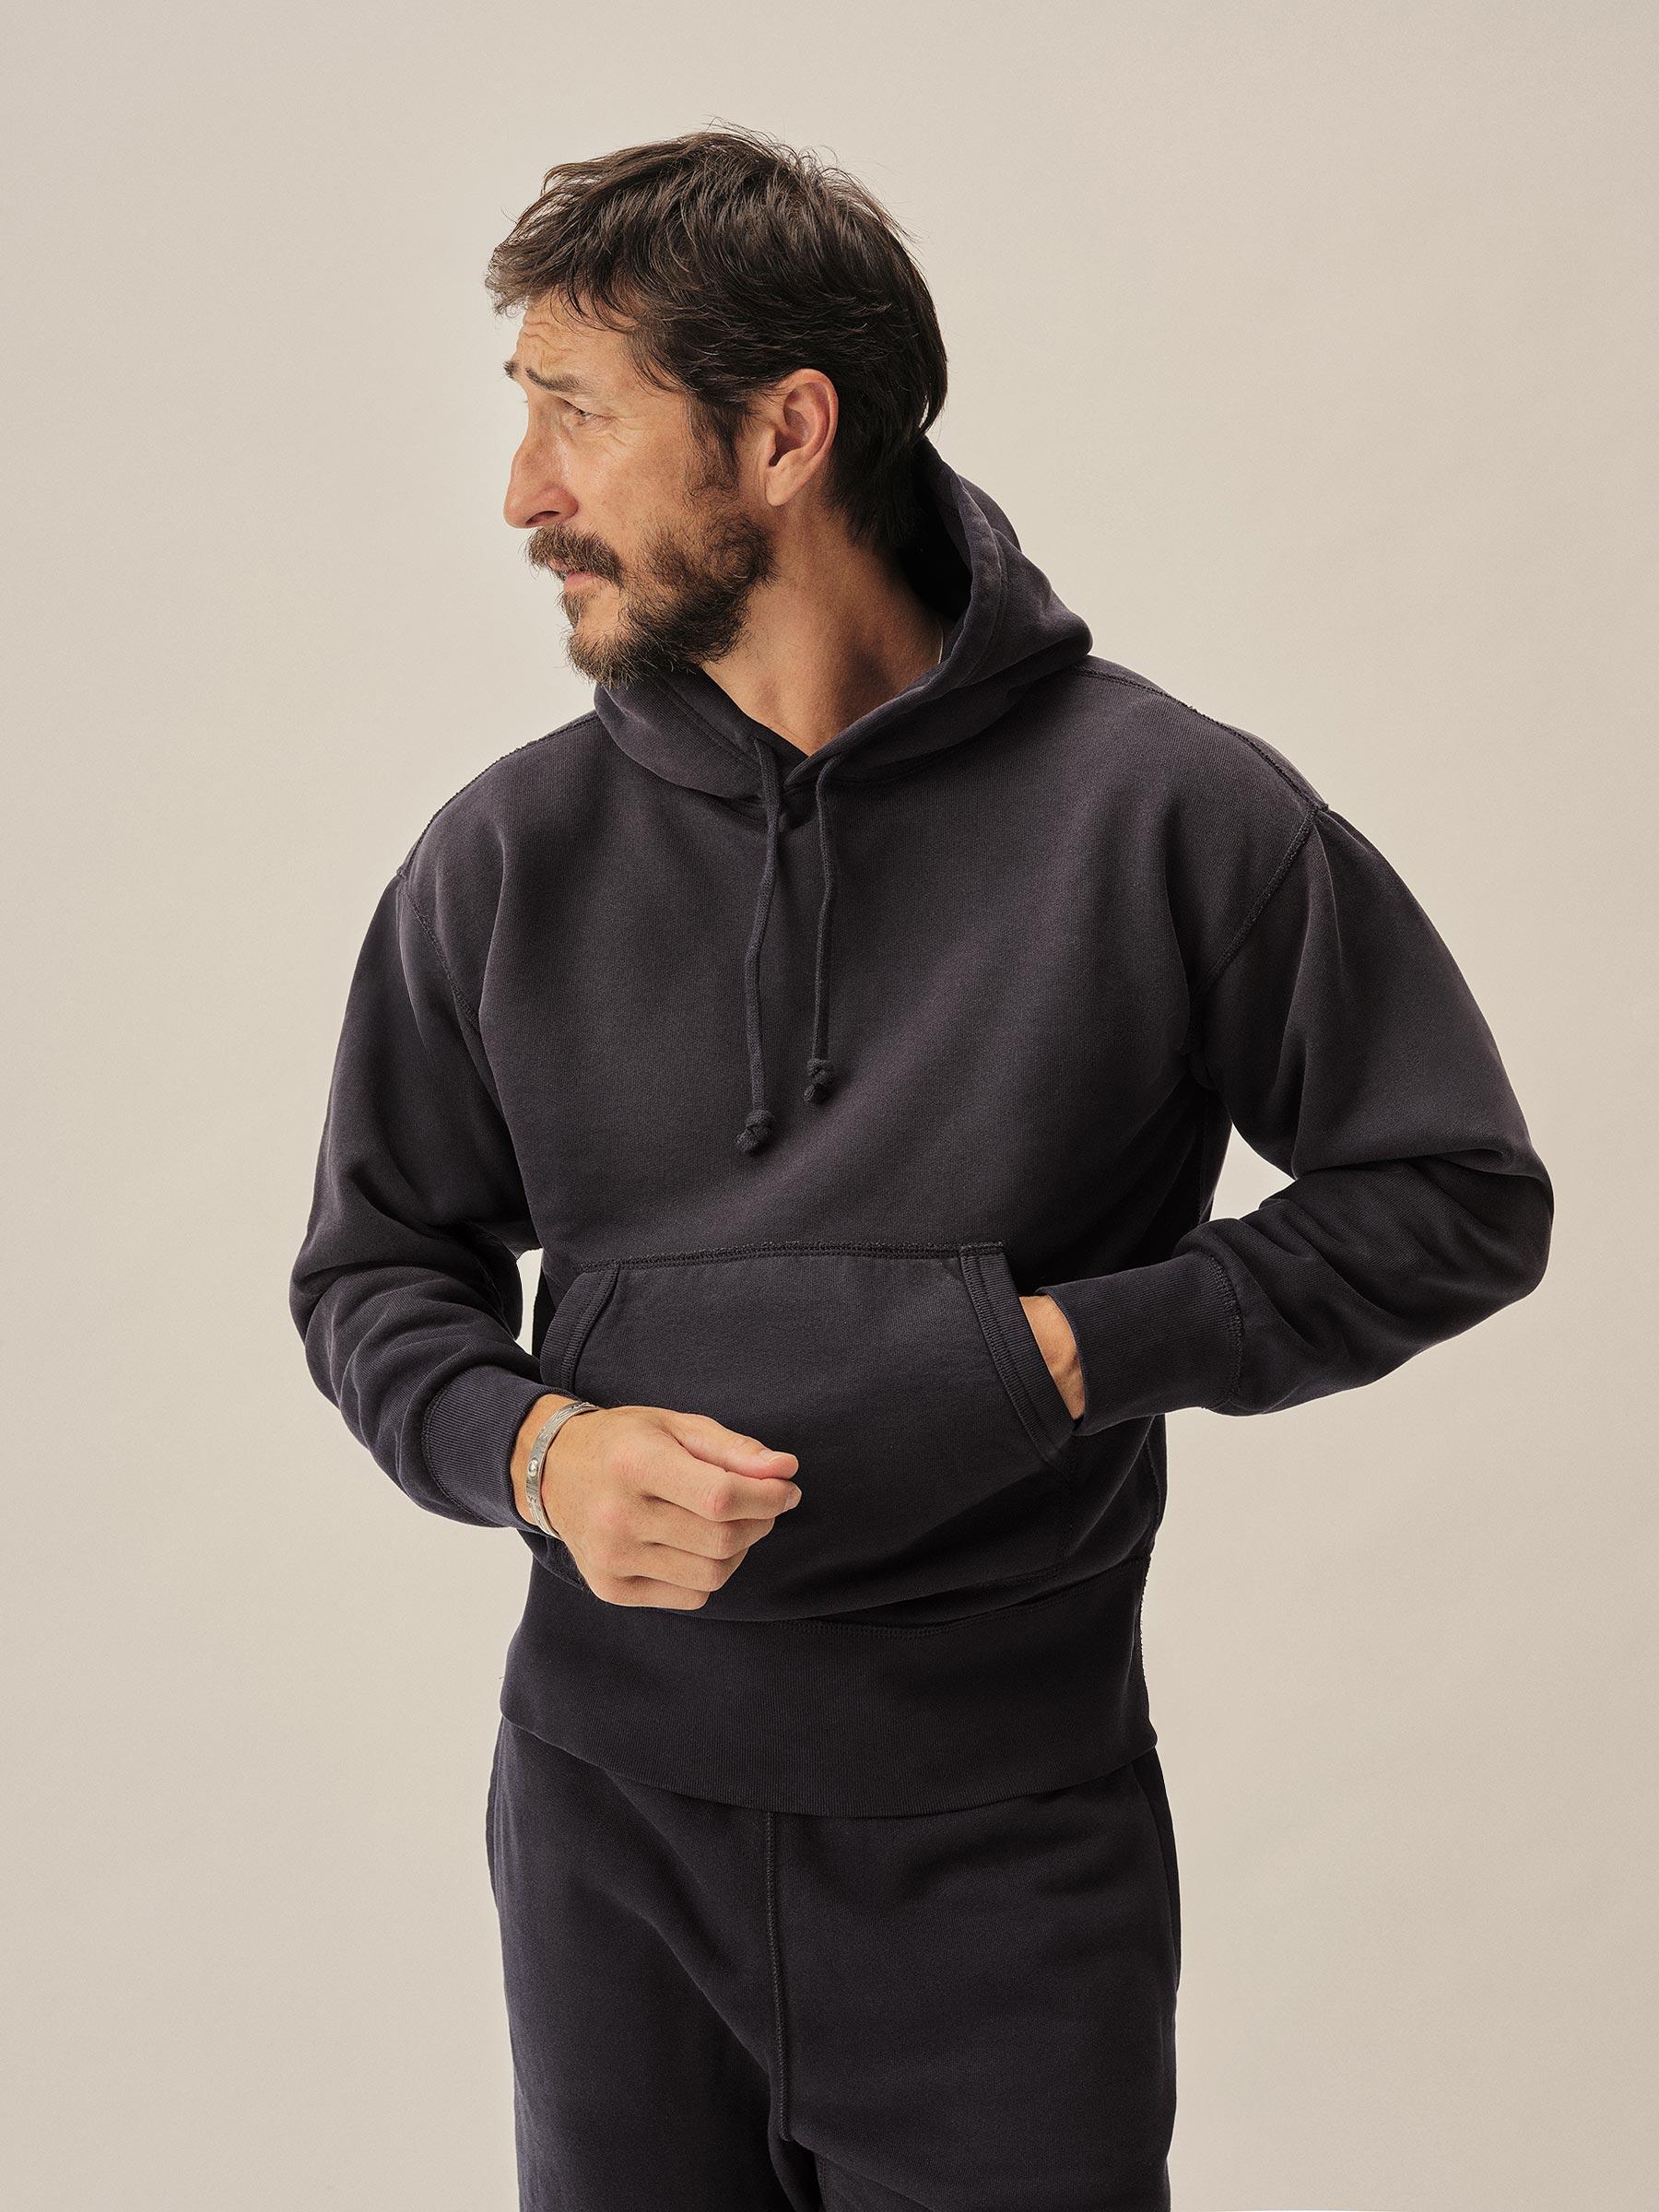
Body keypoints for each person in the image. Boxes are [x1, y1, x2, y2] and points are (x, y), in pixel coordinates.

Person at [288, 124, 1554, 2212]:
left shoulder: (1172, 817)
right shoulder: (505, 855)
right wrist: (533, 1454)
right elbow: (375, 1267)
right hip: (604, 1841)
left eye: (577, 416)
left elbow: (1453, 1195)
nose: (523, 493)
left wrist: (1062, 1353)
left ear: (787, 433)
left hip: (1005, 1851)